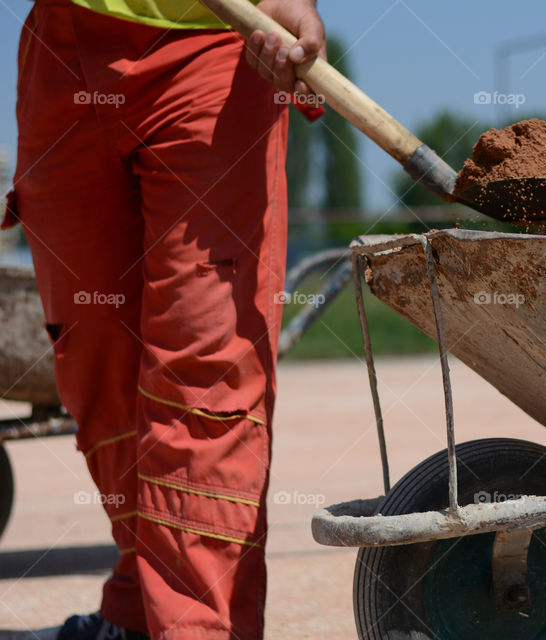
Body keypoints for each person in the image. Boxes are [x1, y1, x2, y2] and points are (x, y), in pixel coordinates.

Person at [3, 0, 325, 637]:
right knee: (99, 361)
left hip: (216, 53)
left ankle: (198, 630)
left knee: (205, 373)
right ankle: (138, 616)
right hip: (63, 47)